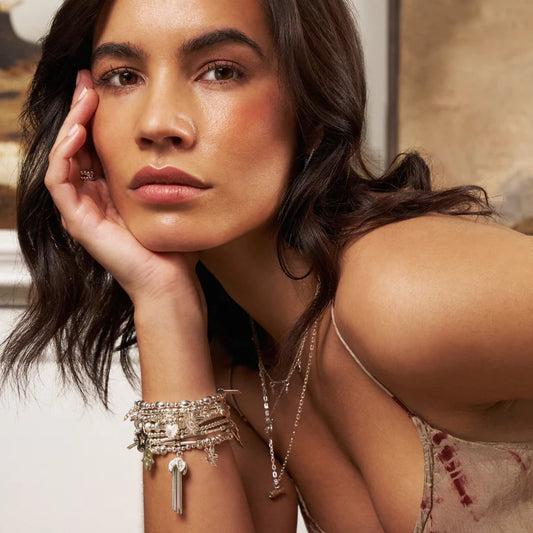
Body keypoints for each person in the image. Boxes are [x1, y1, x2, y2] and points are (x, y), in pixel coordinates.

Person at [2, 0, 532, 531]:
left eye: (221, 72)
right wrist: (162, 303)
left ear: (311, 104)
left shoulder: (400, 289)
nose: (158, 124)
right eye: (122, 77)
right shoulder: (244, 361)